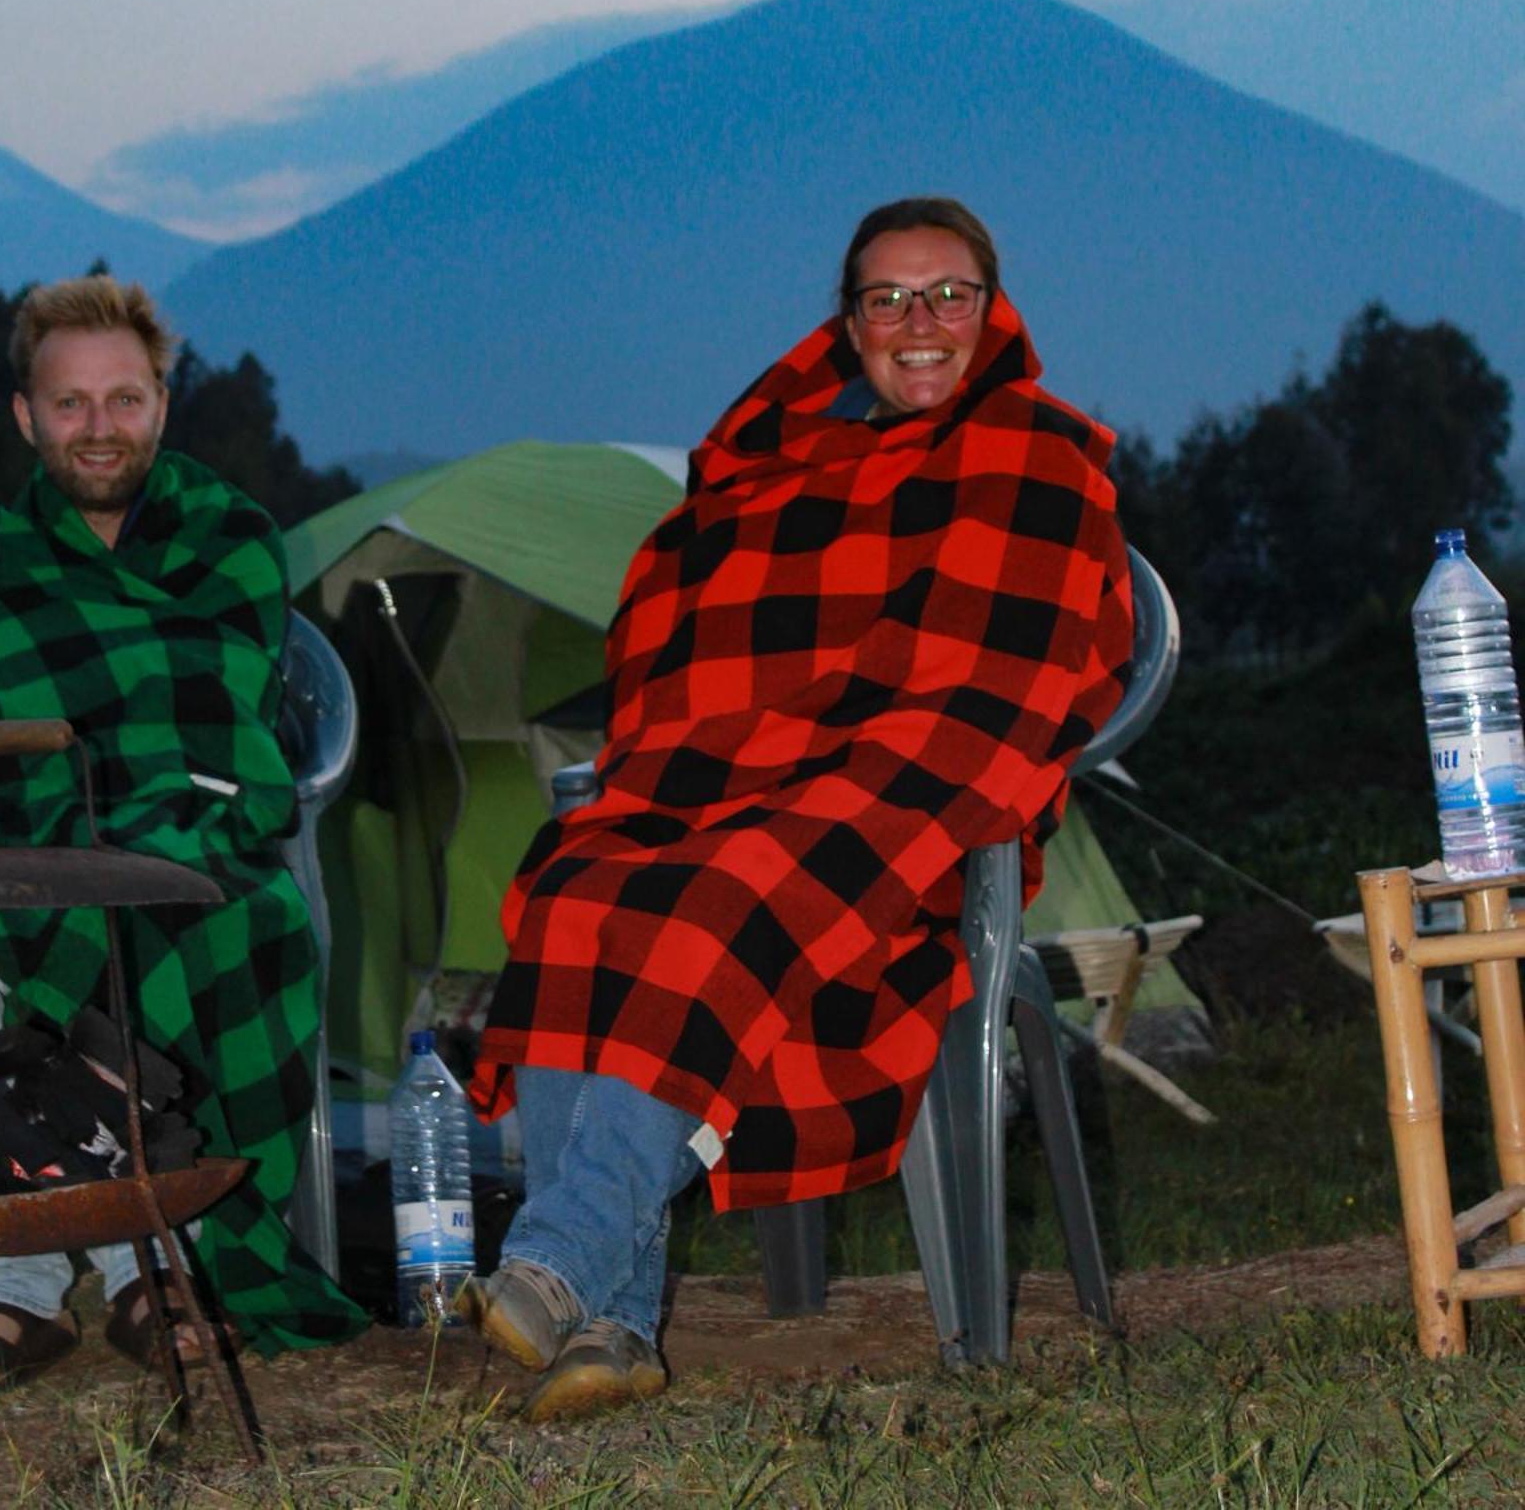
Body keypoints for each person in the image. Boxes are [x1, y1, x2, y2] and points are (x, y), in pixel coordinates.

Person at [459, 196, 1134, 1421]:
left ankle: (556, 1256)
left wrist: (850, 771)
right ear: (849, 325)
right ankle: (609, 1326)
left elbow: (1010, 678)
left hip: (915, 827)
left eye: (946, 295)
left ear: (993, 312)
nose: (917, 321)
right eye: (885, 299)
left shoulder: (1040, 452)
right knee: (577, 886)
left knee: (715, 901)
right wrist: (744, 766)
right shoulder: (794, 474)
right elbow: (698, 650)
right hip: (745, 797)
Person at [0, 276, 367, 1395]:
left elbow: (213, 716)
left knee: (160, 912)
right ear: (26, 418)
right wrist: (29, 832)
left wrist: (117, 814)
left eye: (124, 401)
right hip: (4, 834)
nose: (100, 428)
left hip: (191, 834)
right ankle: (15, 1285)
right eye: (72, 404)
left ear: (162, 406)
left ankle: (153, 1261)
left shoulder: (231, 541)